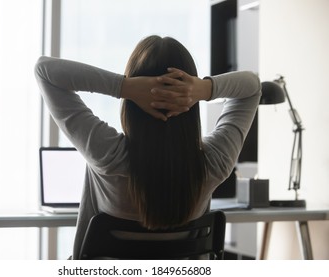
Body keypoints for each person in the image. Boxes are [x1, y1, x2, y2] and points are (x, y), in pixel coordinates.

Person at [34, 35, 261, 259]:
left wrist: (124, 87)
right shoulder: (214, 163)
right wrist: (204, 89)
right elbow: (252, 86)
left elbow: (45, 70)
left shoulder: (107, 154)